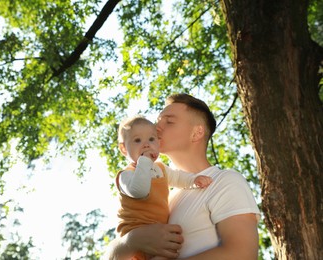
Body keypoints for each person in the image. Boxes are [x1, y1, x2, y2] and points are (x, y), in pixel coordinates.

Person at [106, 93, 261, 260]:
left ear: (197, 133)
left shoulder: (225, 181)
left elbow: (242, 254)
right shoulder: (164, 196)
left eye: (169, 121)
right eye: (158, 120)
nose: (157, 127)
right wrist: (132, 241)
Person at [115, 115, 213, 260]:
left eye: (152, 139)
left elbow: (178, 178)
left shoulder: (160, 168)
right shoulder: (126, 175)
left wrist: (194, 180)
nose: (146, 144)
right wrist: (144, 161)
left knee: (169, 253)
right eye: (137, 140)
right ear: (124, 149)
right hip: (135, 234)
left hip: (159, 234)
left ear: (158, 143)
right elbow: (140, 191)